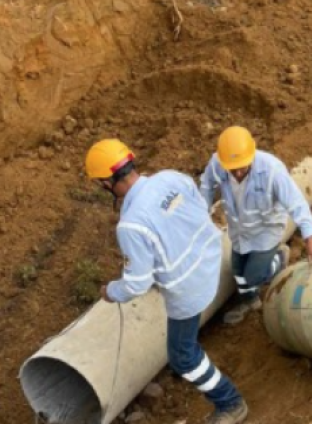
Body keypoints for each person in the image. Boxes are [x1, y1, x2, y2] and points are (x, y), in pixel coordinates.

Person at [86, 139, 248, 424]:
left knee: (182, 357)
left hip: (190, 290)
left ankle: (230, 402)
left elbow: (136, 284)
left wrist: (111, 291)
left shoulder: (131, 225)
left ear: (107, 183)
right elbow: (201, 207)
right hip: (213, 258)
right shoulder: (170, 177)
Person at [200, 126, 312, 324]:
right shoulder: (218, 163)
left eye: (242, 166)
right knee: (237, 271)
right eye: (232, 169)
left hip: (266, 230)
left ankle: (278, 258)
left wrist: (311, 241)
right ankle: (251, 301)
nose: (237, 172)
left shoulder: (272, 171)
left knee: (253, 275)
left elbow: (297, 204)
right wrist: (201, 214)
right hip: (239, 230)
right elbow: (207, 185)